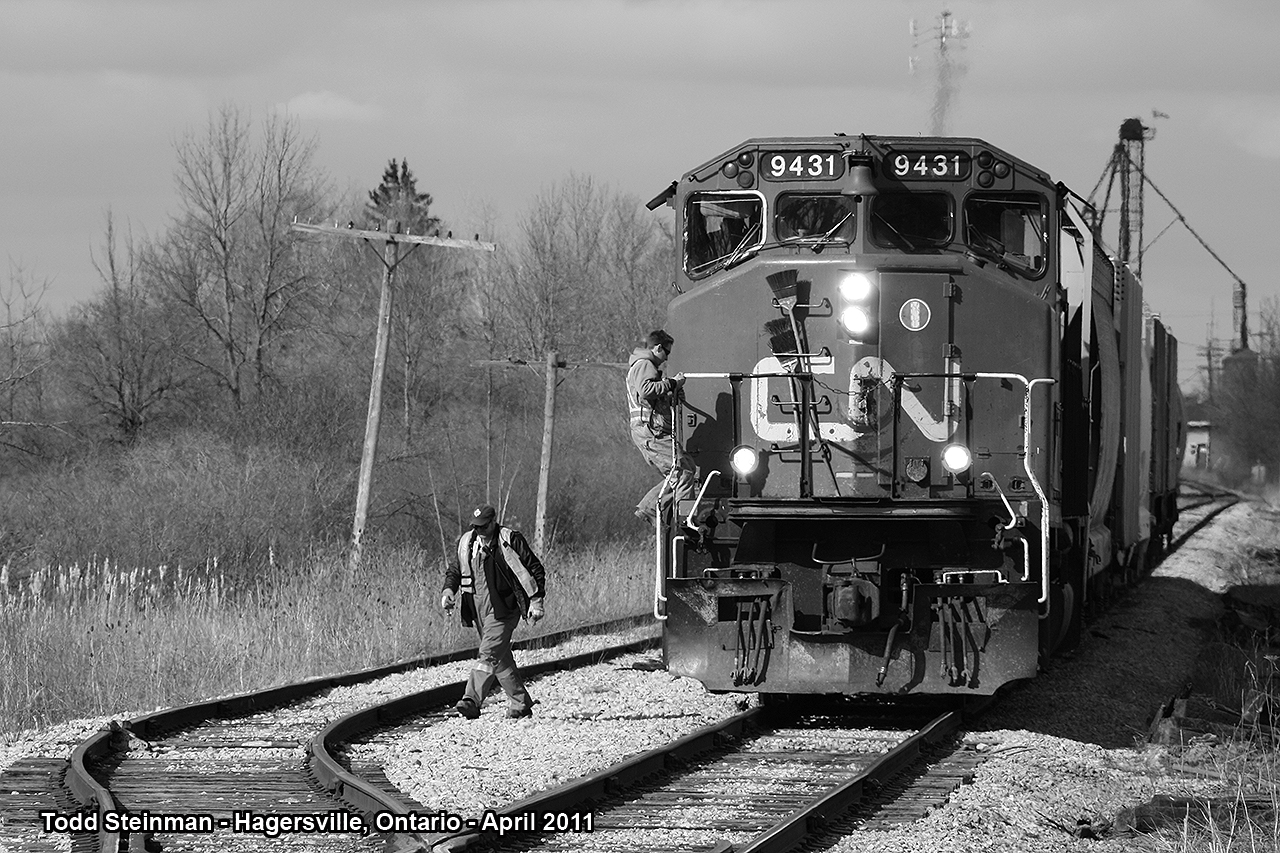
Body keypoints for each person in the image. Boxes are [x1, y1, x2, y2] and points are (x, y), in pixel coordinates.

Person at [441, 504, 546, 720]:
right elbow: (455, 570)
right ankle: (521, 703)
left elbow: (535, 568)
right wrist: (448, 591)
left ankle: (471, 699)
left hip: (504, 608)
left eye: (483, 526)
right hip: (477, 607)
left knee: (488, 654)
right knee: (500, 658)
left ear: (493, 522)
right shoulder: (467, 543)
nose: (479, 530)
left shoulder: (510, 539)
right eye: (475, 526)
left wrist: (537, 601)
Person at [627, 330, 698, 528]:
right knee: (682, 471)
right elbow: (646, 390)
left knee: (687, 467)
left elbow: (651, 398)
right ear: (657, 348)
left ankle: (650, 507)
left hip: (651, 431)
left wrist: (672, 391)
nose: (666, 358)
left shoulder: (643, 365)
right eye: (666, 352)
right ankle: (685, 521)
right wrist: (672, 382)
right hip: (651, 432)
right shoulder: (644, 364)